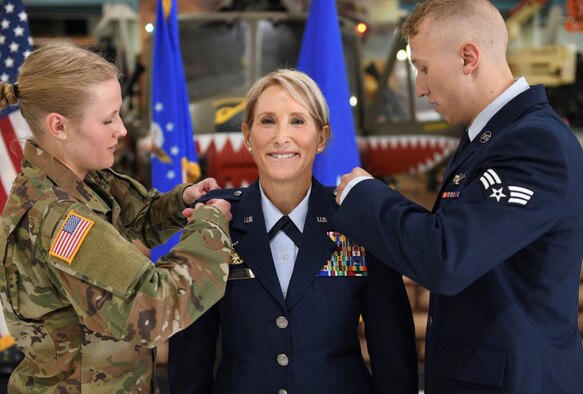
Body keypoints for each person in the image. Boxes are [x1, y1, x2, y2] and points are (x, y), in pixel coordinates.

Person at [332, 0, 583, 392]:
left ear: (468, 57)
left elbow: (446, 256)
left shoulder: (535, 143)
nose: (420, 88)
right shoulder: (491, 138)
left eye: (424, 68)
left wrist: (367, 196)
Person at [0, 40, 233, 392]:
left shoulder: (78, 177)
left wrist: (180, 201)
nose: (122, 129)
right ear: (58, 126)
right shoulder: (61, 219)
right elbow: (154, 306)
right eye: (108, 119)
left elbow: (130, 220)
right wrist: (212, 226)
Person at [167, 69, 418, 394]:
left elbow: (391, 347)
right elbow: (191, 353)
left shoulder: (357, 218)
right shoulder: (215, 219)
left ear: (322, 136)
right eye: (267, 121)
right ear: (247, 135)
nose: (281, 136)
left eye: (298, 121)